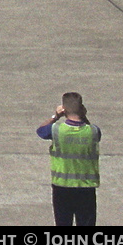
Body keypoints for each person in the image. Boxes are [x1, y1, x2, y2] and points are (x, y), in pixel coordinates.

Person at [38, 91, 101, 226]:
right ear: (82, 109)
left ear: (64, 109)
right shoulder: (93, 131)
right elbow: (93, 130)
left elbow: (41, 131)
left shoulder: (56, 130)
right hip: (86, 188)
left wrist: (55, 116)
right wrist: (83, 116)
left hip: (62, 187)